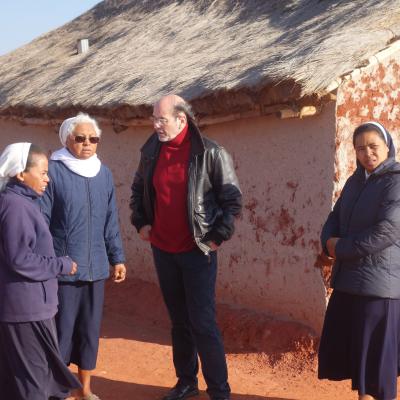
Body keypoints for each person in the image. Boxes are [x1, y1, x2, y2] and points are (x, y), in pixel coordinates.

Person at [130, 94, 242, 400]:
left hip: (197, 251)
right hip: (163, 250)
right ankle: (186, 382)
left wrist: (216, 237)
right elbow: (138, 189)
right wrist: (141, 221)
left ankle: (219, 391)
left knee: (202, 322)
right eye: (154, 119)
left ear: (182, 120)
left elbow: (232, 201)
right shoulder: (151, 151)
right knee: (179, 321)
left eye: (161, 119)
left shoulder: (211, 153)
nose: (155, 125)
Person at [41, 113, 127, 400]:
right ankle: (58, 389)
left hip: (96, 267)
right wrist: (48, 262)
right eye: (80, 138)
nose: (87, 143)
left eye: (93, 138)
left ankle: (84, 389)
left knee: (90, 331)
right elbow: (42, 221)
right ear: (67, 139)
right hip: (64, 269)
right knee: (62, 331)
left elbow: (110, 220)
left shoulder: (103, 173)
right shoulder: (53, 171)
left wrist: (117, 258)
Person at [319, 121, 400, 400]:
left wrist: (340, 247)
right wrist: (327, 241)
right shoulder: (355, 181)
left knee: (376, 365)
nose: (368, 153)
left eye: (373, 146)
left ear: (387, 146)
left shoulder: (396, 181)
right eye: (360, 148)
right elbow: (335, 216)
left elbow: (388, 230)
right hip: (349, 283)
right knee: (360, 358)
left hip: (379, 289)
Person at [0, 143, 81, 400]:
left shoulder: (19, 202)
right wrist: (61, 265)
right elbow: (19, 258)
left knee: (19, 382)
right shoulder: (16, 207)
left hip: (25, 308)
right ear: (20, 174)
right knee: (34, 384)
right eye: (43, 172)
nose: (48, 179)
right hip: (25, 310)